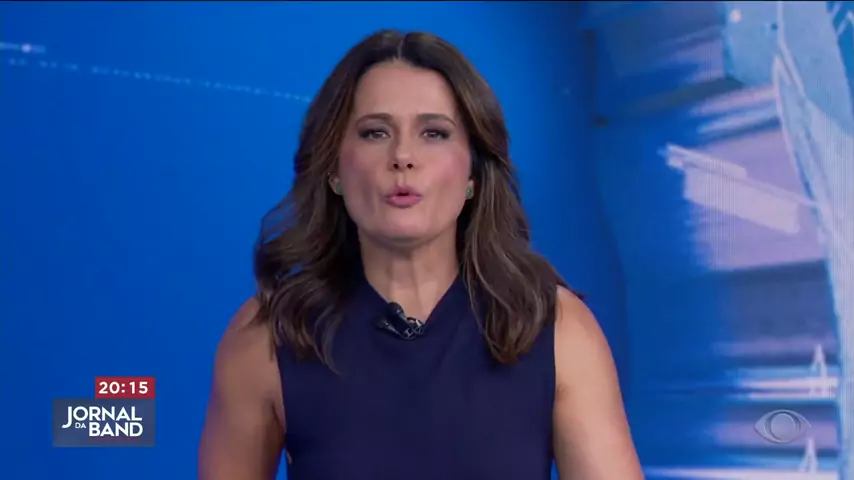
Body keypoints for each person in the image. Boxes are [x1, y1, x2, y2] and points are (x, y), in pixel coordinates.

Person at [198, 29, 643, 480]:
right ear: (333, 170)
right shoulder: (268, 336)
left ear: (473, 174)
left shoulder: (557, 329)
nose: (403, 156)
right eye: (375, 132)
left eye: (434, 132)